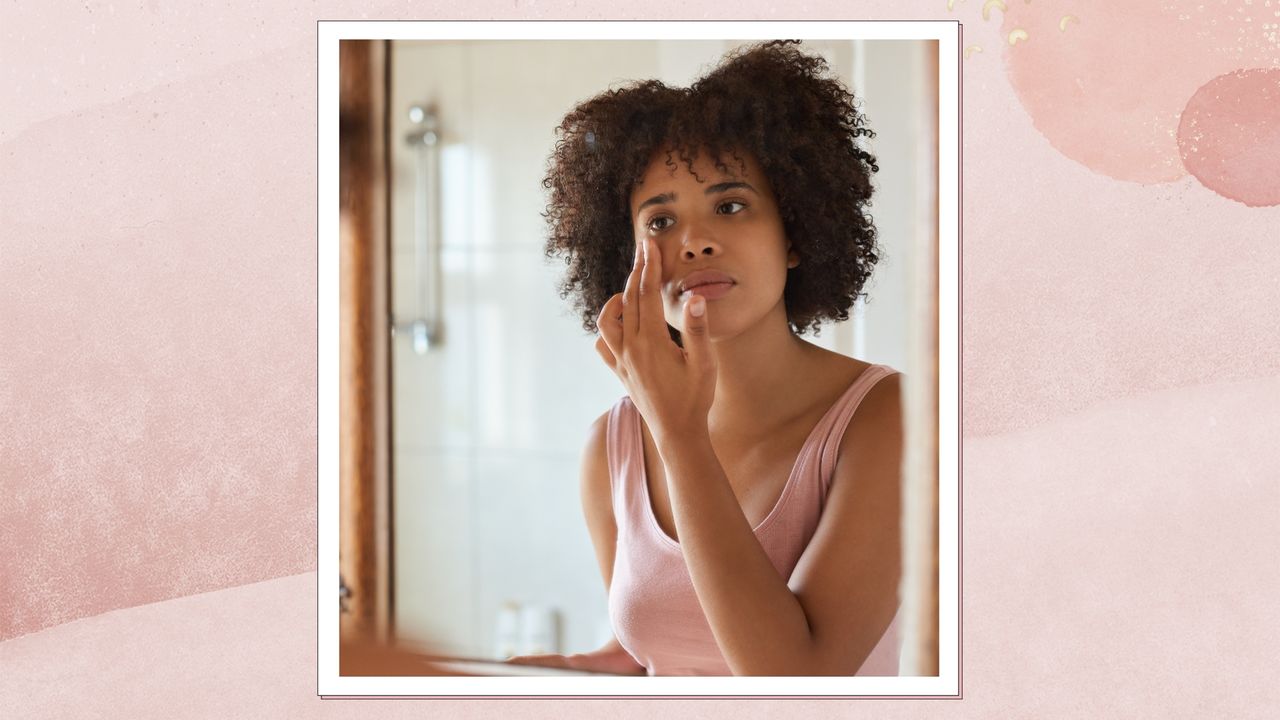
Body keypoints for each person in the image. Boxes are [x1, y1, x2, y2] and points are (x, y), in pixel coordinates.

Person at [510, 39, 903, 676]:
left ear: (796, 234)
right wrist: (573, 673)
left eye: (730, 206)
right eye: (659, 222)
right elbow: (649, 652)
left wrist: (680, 436)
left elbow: (798, 681)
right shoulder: (610, 446)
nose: (693, 242)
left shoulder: (890, 419)